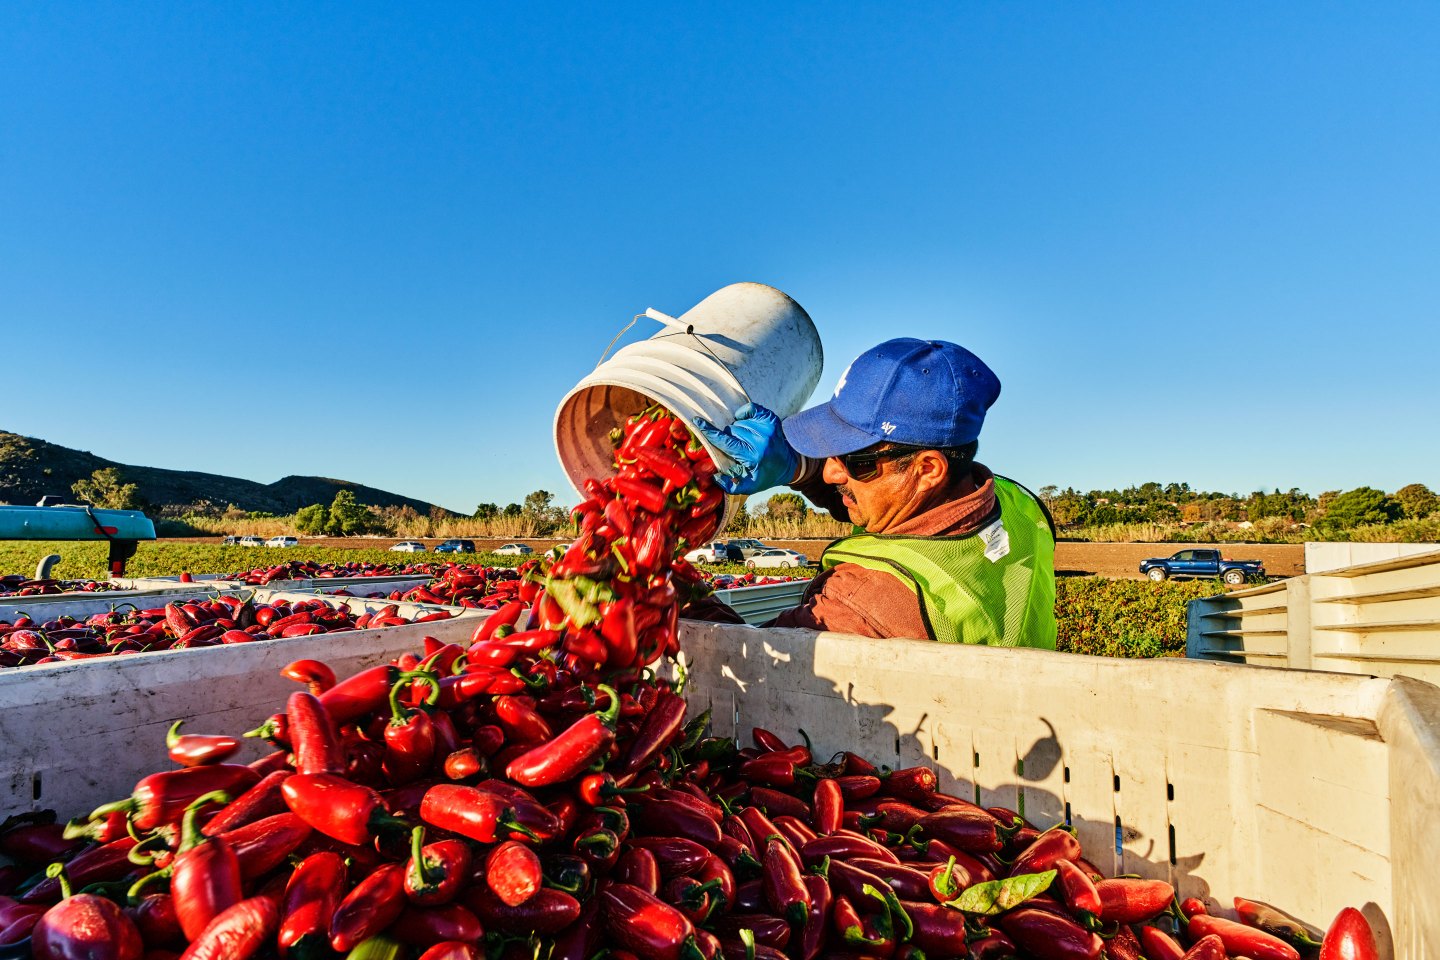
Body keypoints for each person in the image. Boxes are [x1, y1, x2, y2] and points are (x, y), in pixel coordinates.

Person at [691, 337, 1057, 646]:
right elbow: (910, 509)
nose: (832, 471)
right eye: (830, 447)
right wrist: (800, 469)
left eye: (856, 461)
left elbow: (751, 661)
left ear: (928, 469)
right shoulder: (1020, 506)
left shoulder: (868, 601)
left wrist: (669, 584)